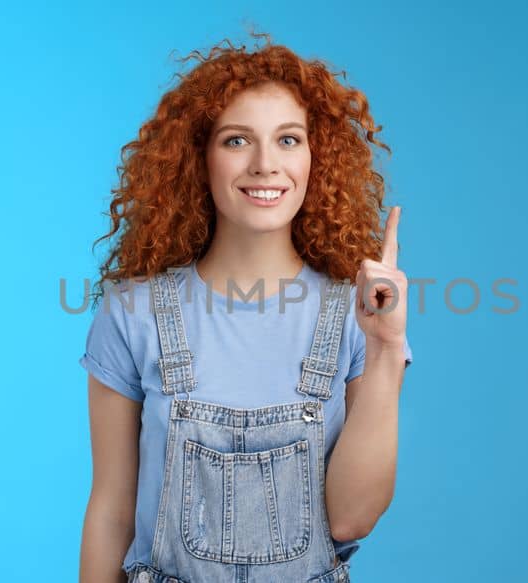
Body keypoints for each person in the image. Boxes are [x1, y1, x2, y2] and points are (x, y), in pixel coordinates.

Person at [79, 35, 412, 583]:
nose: (265, 165)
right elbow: (111, 510)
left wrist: (384, 347)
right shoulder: (132, 314)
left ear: (315, 158)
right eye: (237, 141)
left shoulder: (359, 318)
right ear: (199, 156)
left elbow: (354, 517)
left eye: (288, 140)